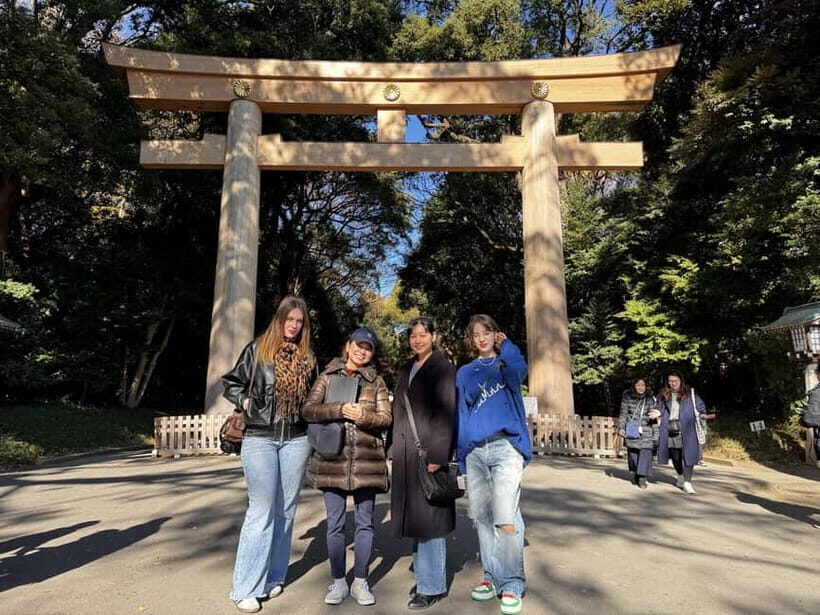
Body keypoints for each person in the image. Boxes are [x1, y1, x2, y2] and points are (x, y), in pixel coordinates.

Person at [222, 296, 316, 613]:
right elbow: (231, 382)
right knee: (260, 511)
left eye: (299, 321)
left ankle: (274, 576)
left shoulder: (308, 359)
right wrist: (246, 402)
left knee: (286, 512)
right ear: (279, 320)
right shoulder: (258, 349)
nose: (293, 325)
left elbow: (315, 398)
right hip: (260, 438)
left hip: (296, 440)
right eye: (289, 319)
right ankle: (246, 586)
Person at [301, 327, 392, 607]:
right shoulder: (327, 377)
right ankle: (339, 580)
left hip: (367, 461)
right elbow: (308, 410)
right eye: (358, 345)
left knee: (365, 523)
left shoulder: (376, 382)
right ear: (348, 345)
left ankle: (361, 581)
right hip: (332, 459)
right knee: (335, 525)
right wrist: (338, 409)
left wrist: (364, 416)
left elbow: (386, 418)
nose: (362, 351)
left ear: (372, 352)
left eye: (368, 348)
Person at [455, 315, 531, 615]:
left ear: (494, 334)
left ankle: (511, 583)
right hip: (475, 450)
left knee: (505, 515)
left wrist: (507, 344)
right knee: (483, 517)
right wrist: (461, 456)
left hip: (506, 446)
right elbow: (461, 414)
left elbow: (520, 371)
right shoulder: (464, 372)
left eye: (487, 332)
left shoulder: (505, 364)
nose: (482, 338)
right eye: (476, 334)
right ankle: (491, 576)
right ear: (471, 339)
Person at [390, 317, 457, 610]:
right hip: (406, 453)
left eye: (423, 334)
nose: (417, 340)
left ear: (434, 335)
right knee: (418, 517)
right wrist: (391, 448)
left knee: (430, 518)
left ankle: (432, 586)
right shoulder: (407, 368)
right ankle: (425, 575)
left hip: (428, 451)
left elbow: (447, 413)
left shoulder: (443, 369)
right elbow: (398, 411)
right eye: (413, 336)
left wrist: (438, 455)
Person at [656, 370, 715, 495]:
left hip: (687, 428)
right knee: (676, 456)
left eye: (675, 381)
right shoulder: (663, 394)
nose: (673, 384)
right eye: (670, 381)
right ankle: (680, 474)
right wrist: (656, 413)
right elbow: (658, 408)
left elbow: (699, 406)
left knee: (688, 455)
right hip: (670, 428)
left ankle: (687, 482)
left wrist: (703, 414)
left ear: (681, 381)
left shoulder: (690, 392)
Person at [617, 378, 661, 489]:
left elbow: (653, 417)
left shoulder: (650, 399)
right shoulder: (627, 397)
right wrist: (621, 427)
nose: (641, 387)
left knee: (645, 453)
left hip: (647, 428)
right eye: (638, 385)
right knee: (633, 453)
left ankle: (642, 478)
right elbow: (623, 413)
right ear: (634, 386)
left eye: (643, 385)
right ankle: (637, 472)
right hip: (633, 427)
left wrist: (656, 432)